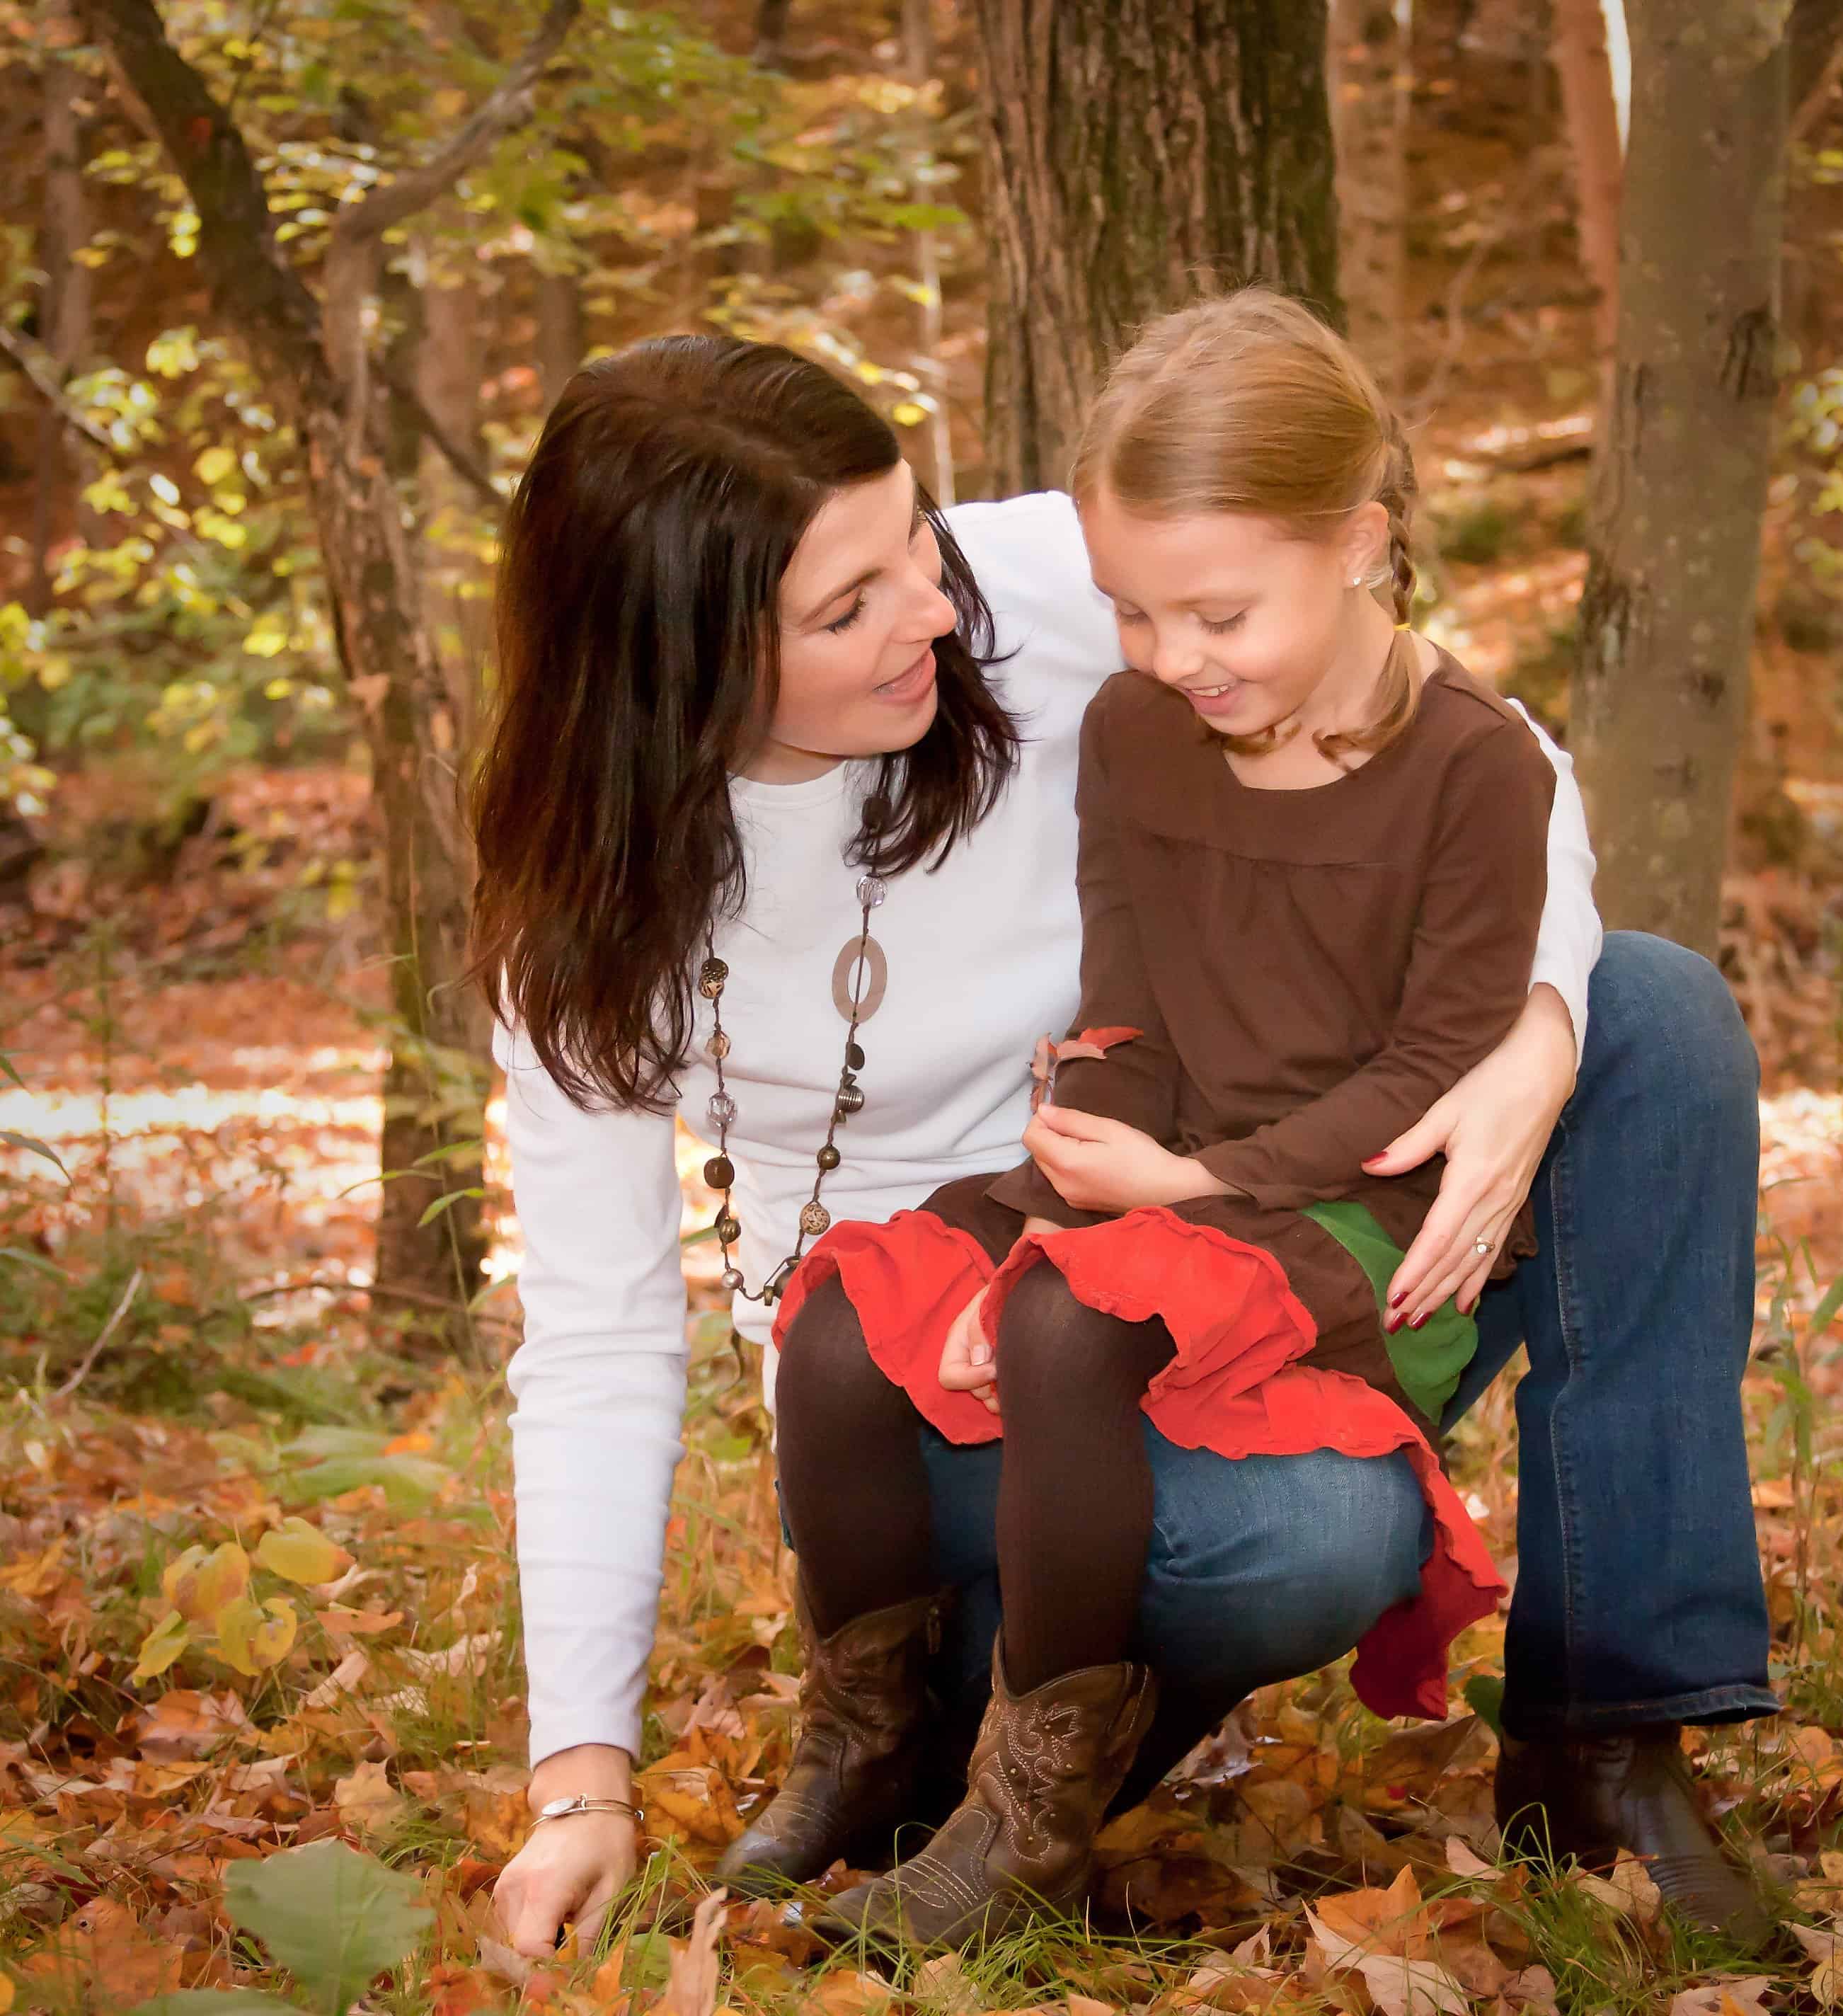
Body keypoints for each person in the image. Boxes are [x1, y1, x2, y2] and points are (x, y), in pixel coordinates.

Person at [473, 323, 1774, 1961]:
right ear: (681, 661)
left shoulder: (1070, 587)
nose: (933, 616)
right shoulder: (590, 918)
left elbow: (1491, 751)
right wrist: (579, 1775)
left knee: (1651, 1011)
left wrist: (1538, 1031)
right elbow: (595, 1341)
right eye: (846, 607)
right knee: (1314, 1536)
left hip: (1222, 1222)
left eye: (917, 545)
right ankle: (970, 1710)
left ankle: (1606, 1743)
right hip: (937, 1398)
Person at [746, 289, 1558, 1946]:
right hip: (1166, 1177)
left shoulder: (1477, 767)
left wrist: (1178, 1190)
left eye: (1217, 615)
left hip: (1359, 1207)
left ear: (1360, 543)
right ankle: (867, 1739)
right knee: (844, 1311)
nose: (1173, 660)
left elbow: (1435, 1068)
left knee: (1065, 1314)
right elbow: (1120, 1009)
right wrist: (1073, 1183)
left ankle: (1023, 1824)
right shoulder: (1137, 732)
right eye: (1131, 612)